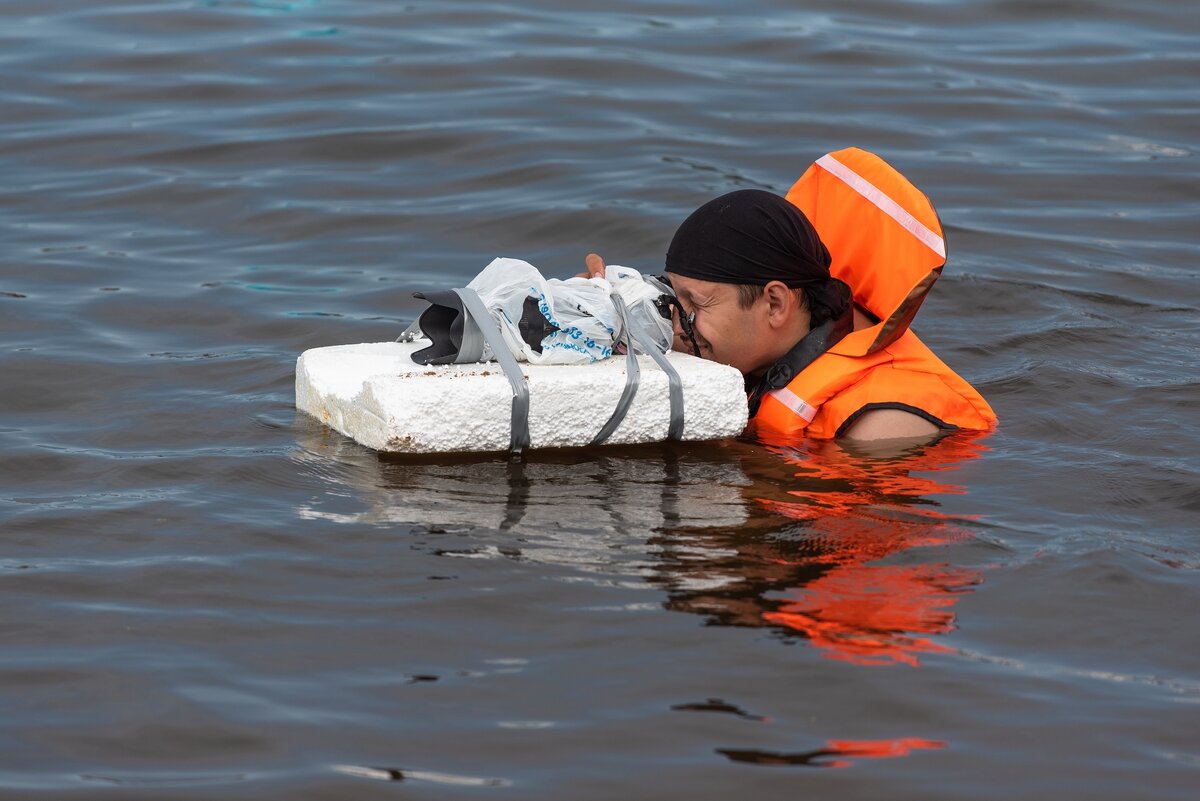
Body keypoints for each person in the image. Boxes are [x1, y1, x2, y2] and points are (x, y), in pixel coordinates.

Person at [583, 147, 996, 443]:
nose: (678, 323)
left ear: (776, 304)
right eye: (677, 298)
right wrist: (607, 320)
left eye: (696, 305)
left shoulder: (882, 423)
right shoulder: (764, 341)